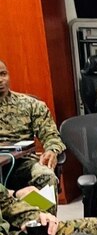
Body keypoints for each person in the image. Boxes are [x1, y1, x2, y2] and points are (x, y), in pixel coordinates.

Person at [0, 58, 65, 197]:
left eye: (3, 74)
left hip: (22, 164)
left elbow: (51, 135)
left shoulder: (31, 105)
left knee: (46, 177)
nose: (1, 80)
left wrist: (52, 150)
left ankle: (45, 219)